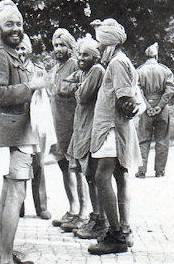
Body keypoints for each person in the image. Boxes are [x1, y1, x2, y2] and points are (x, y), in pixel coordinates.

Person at [0, 0, 49, 264]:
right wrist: (31, 87)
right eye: (9, 24)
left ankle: (4, 254)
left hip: (17, 132)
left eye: (19, 23)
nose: (16, 28)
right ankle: (6, 258)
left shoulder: (12, 54)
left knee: (11, 193)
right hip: (11, 134)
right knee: (15, 194)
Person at [88, 18, 142, 255]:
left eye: (100, 44)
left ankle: (116, 234)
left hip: (111, 129)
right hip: (113, 128)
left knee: (101, 177)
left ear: (109, 44)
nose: (98, 49)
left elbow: (125, 99)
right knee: (117, 176)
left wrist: (129, 113)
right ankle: (121, 229)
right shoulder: (120, 62)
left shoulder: (117, 64)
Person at [61, 37, 108, 239]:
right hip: (81, 127)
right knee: (88, 176)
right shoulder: (86, 72)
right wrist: (77, 82)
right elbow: (64, 85)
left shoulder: (96, 71)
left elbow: (82, 95)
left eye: (86, 54)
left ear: (95, 57)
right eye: (79, 54)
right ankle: (95, 216)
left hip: (91, 129)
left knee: (94, 175)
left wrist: (77, 85)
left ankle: (100, 219)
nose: (81, 58)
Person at [48, 28, 85, 230]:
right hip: (59, 125)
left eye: (63, 45)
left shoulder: (73, 66)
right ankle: (72, 208)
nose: (59, 49)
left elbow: (75, 90)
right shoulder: (57, 68)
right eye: (56, 45)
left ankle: (83, 211)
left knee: (76, 168)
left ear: (70, 47)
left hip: (72, 124)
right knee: (64, 167)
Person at [16, 35, 52, 220]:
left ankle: (41, 206)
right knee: (18, 165)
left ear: (29, 49)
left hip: (36, 123)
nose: (20, 52)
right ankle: (18, 206)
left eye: (23, 48)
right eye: (18, 49)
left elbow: (46, 98)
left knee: (38, 164)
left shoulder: (38, 70)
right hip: (18, 122)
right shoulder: (12, 69)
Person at [135, 42, 174, 178]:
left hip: (145, 108)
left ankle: (141, 171)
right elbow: (170, 89)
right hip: (162, 108)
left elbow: (137, 90)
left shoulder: (139, 71)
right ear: (156, 55)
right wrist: (159, 106)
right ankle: (160, 170)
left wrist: (146, 105)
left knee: (143, 140)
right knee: (162, 139)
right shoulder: (165, 70)